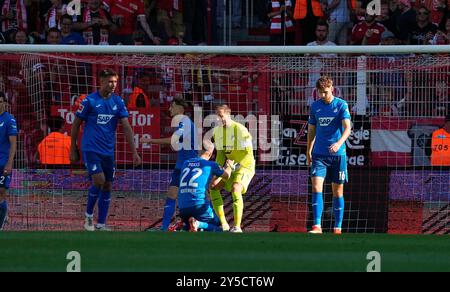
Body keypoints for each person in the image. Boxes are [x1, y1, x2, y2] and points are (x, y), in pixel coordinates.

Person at [70, 69, 141, 231]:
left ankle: (101, 224)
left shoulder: (118, 102)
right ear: (101, 81)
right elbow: (76, 125)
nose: (113, 85)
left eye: (115, 82)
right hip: (91, 148)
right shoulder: (89, 101)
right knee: (99, 180)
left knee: (108, 185)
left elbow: (127, 127)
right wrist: (73, 148)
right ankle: (88, 216)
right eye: (110, 81)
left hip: (108, 151)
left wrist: (134, 152)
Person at [141, 97, 198, 231]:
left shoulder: (185, 122)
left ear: (180, 108)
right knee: (172, 194)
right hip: (181, 166)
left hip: (190, 166)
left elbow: (173, 140)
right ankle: (164, 228)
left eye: (172, 106)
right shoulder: (183, 123)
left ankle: (215, 224)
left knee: (197, 196)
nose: (169, 109)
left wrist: (151, 141)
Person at [306, 76, 351, 235]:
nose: (323, 96)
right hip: (319, 155)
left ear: (332, 89)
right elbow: (311, 130)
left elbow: (347, 128)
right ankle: (317, 226)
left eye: (325, 92)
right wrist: (308, 149)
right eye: (320, 93)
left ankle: (337, 228)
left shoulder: (341, 105)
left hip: (338, 156)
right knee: (316, 187)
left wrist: (339, 143)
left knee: (337, 192)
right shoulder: (315, 107)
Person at [210, 104, 255, 233]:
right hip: (230, 165)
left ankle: (237, 226)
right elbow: (220, 155)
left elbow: (248, 152)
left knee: (236, 188)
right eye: (217, 117)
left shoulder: (240, 130)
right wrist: (218, 171)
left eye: (221, 116)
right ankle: (224, 225)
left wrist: (233, 164)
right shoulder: (217, 132)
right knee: (213, 186)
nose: (219, 120)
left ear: (228, 115)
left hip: (244, 165)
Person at [178, 144, 236, 232]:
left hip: (182, 209)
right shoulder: (210, 165)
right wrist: (229, 166)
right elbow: (227, 175)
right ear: (210, 154)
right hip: (198, 206)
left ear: (198, 151)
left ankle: (183, 226)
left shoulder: (185, 163)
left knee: (196, 225)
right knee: (218, 225)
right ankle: (198, 224)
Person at [0, 91, 17, 230]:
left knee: (1, 191)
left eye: (1, 102)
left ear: (5, 103)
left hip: (3, 162)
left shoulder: (9, 119)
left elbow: (13, 143)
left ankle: (3, 217)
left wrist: (9, 163)